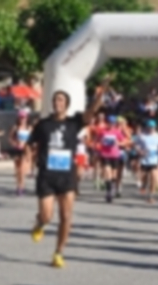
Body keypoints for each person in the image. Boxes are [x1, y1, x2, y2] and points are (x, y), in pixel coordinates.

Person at [28, 83, 106, 268]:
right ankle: (40, 223)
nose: (57, 102)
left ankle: (59, 253)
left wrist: (98, 98)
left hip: (66, 176)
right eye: (55, 99)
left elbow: (90, 113)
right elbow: (31, 145)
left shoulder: (74, 122)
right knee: (47, 216)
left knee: (66, 216)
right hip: (46, 174)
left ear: (67, 105)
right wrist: (30, 160)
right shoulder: (43, 125)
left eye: (61, 100)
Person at [98, 115, 128, 203]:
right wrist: (101, 144)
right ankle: (108, 192)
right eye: (110, 123)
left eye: (113, 123)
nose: (111, 124)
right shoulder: (102, 131)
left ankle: (113, 187)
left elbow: (124, 141)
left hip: (115, 155)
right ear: (107, 123)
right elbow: (97, 141)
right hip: (105, 154)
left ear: (115, 124)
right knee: (108, 173)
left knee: (114, 175)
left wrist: (118, 143)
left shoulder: (117, 132)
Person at [137, 119, 158, 203]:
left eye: (152, 127)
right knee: (144, 177)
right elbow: (136, 146)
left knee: (153, 177)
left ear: (155, 128)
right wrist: (140, 151)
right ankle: (143, 186)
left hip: (154, 160)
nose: (151, 129)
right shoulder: (142, 136)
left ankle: (151, 196)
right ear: (147, 127)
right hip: (145, 160)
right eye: (149, 127)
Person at [9, 112, 32, 195]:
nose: (22, 119)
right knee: (18, 169)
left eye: (24, 118)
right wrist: (14, 143)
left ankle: (21, 186)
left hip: (25, 149)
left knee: (22, 169)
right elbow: (10, 138)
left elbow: (32, 139)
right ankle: (18, 185)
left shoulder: (29, 128)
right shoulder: (15, 127)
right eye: (21, 118)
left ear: (27, 118)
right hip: (17, 149)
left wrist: (28, 146)